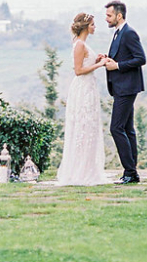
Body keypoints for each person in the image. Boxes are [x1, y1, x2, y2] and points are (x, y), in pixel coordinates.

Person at [56, 11, 109, 185]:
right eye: (93, 24)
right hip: (83, 88)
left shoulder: (84, 44)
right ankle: (80, 171)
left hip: (90, 88)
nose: (95, 27)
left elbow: (88, 62)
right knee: (83, 127)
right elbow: (78, 70)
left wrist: (97, 59)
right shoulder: (79, 44)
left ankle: (88, 169)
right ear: (86, 27)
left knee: (90, 128)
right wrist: (99, 64)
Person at [103, 0, 147, 184]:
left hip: (127, 88)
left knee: (116, 128)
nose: (106, 19)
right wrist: (107, 59)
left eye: (109, 15)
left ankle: (129, 171)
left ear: (119, 16)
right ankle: (132, 173)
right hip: (121, 87)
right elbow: (120, 56)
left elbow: (140, 58)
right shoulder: (117, 33)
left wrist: (118, 66)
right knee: (128, 129)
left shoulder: (129, 33)